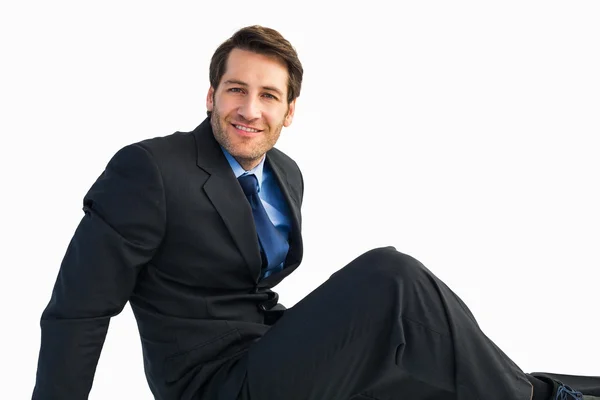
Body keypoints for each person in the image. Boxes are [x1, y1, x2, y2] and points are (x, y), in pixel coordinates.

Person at [32, 25, 599, 400]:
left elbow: (250, 288)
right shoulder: (150, 170)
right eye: (235, 90)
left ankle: (555, 388)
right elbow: (76, 311)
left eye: (268, 96)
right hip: (212, 385)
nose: (249, 110)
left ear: (290, 111)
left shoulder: (286, 174)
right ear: (210, 96)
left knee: (417, 372)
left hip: (267, 355)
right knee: (390, 277)